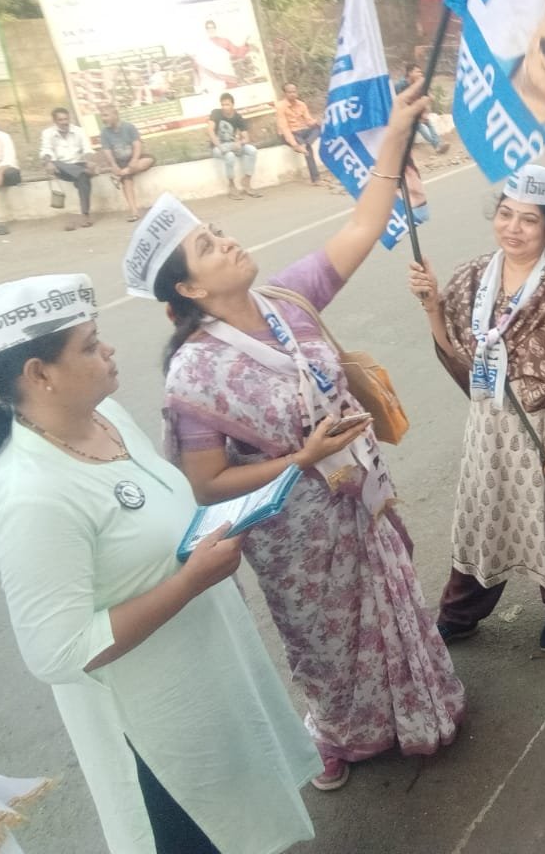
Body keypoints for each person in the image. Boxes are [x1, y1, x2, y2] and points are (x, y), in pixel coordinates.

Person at [127, 86, 464, 792]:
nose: (227, 242)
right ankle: (339, 734)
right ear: (189, 289)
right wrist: (301, 460)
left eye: (219, 231)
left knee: (394, 606)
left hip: (361, 495)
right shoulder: (195, 373)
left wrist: (396, 134)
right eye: (208, 246)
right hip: (292, 534)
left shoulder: (289, 298)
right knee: (325, 640)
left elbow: (365, 224)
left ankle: (416, 712)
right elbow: (207, 483)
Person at [0, 273, 321, 854]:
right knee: (200, 833)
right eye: (89, 345)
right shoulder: (29, 496)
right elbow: (58, 651)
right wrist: (190, 581)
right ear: (39, 374)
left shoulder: (104, 417)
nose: (109, 349)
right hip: (152, 726)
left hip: (208, 673)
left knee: (247, 814)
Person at [406, 165, 545, 652]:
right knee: (483, 514)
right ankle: (460, 614)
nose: (513, 228)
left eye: (529, 219)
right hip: (489, 425)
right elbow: (454, 350)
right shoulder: (473, 276)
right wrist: (432, 305)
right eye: (505, 215)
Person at [39, 107, 94, 231]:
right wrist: (48, 162)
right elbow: (45, 150)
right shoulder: (47, 133)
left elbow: (87, 149)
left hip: (78, 164)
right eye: (61, 120)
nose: (64, 122)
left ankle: (85, 214)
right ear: (55, 121)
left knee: (83, 178)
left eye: (66, 119)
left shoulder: (79, 131)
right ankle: (82, 171)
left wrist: (89, 160)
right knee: (56, 163)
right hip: (60, 168)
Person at [99, 105, 156, 223]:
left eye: (106, 115)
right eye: (102, 116)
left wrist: (134, 159)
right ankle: (134, 212)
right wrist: (113, 165)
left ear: (115, 115)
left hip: (134, 157)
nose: (103, 119)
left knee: (149, 160)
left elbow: (137, 145)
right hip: (120, 161)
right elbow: (107, 151)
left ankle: (119, 175)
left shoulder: (129, 127)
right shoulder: (104, 133)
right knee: (127, 181)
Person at [207, 93, 261, 200]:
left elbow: (246, 138)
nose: (225, 107)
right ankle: (231, 185)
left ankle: (246, 181)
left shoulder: (237, 117)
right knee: (230, 156)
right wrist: (220, 147)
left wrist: (239, 143)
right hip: (217, 147)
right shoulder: (216, 113)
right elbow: (210, 131)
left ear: (233, 105)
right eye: (223, 105)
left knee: (252, 150)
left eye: (227, 105)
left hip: (232, 145)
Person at [395, 63, 449, 153]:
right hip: (404, 112)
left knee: (428, 122)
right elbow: (399, 102)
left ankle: (438, 144)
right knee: (418, 125)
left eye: (421, 72)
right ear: (410, 73)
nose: (420, 74)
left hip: (415, 109)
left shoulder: (419, 83)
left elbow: (427, 98)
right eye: (417, 72)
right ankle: (437, 145)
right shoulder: (400, 85)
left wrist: (424, 112)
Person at [274, 82, 321, 184]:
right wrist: (294, 144)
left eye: (294, 92)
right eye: (289, 92)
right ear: (285, 94)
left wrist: (316, 122)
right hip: (288, 134)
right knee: (308, 149)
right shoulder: (280, 106)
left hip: (301, 131)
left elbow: (308, 120)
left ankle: (305, 144)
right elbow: (284, 128)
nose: (293, 94)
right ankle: (316, 179)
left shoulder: (301, 104)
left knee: (318, 128)